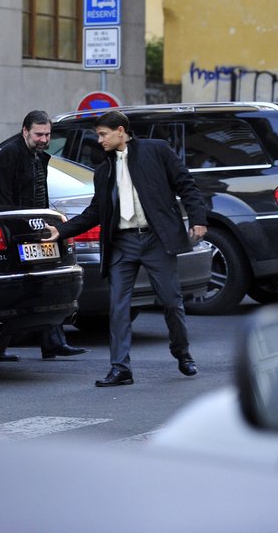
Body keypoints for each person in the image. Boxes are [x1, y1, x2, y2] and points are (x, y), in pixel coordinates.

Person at [44, 110, 207, 387]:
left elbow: (187, 185)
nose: (99, 140)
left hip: (156, 240)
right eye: (98, 135)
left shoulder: (157, 151)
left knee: (171, 300)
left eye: (103, 134)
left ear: (121, 131)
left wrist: (199, 220)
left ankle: (182, 353)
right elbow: (95, 211)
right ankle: (120, 368)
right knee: (118, 306)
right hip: (122, 243)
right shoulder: (104, 170)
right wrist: (62, 230)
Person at [0, 110, 88, 360]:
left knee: (47, 285)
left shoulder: (39, 157)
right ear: (25, 131)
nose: (44, 139)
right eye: (38, 134)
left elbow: (40, 195)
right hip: (18, 233)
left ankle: (53, 342)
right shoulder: (10, 154)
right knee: (13, 291)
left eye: (47, 134)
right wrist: (14, 232)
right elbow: (1, 200)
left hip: (39, 230)